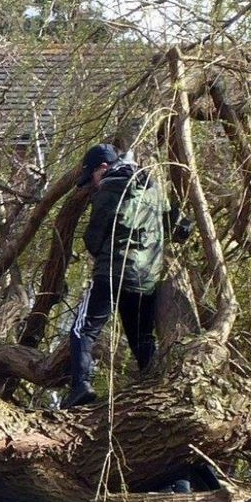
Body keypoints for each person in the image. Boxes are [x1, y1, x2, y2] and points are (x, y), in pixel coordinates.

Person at [66, 143, 191, 407]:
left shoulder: (111, 186)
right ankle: (156, 391)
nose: (93, 185)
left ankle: (81, 387)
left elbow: (94, 238)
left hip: (113, 271)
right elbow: (174, 227)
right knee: (142, 338)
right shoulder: (153, 188)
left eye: (93, 178)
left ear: (103, 167)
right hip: (145, 278)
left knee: (82, 330)